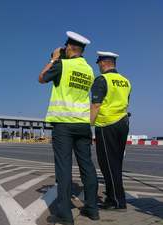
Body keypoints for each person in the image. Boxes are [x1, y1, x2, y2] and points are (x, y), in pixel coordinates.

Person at [39, 31, 99, 225]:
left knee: (64, 169)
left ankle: (65, 214)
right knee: (87, 167)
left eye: (65, 48)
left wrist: (53, 58)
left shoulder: (62, 65)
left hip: (64, 125)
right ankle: (92, 209)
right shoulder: (90, 70)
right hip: (82, 124)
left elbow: (41, 78)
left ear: (70, 48)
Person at [90, 51, 131, 211]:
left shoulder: (102, 79)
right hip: (122, 123)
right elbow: (125, 103)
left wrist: (89, 125)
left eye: (99, 63)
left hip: (107, 125)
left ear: (104, 63)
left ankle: (116, 201)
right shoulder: (126, 81)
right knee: (116, 163)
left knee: (107, 164)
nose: (98, 66)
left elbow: (95, 105)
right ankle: (115, 198)